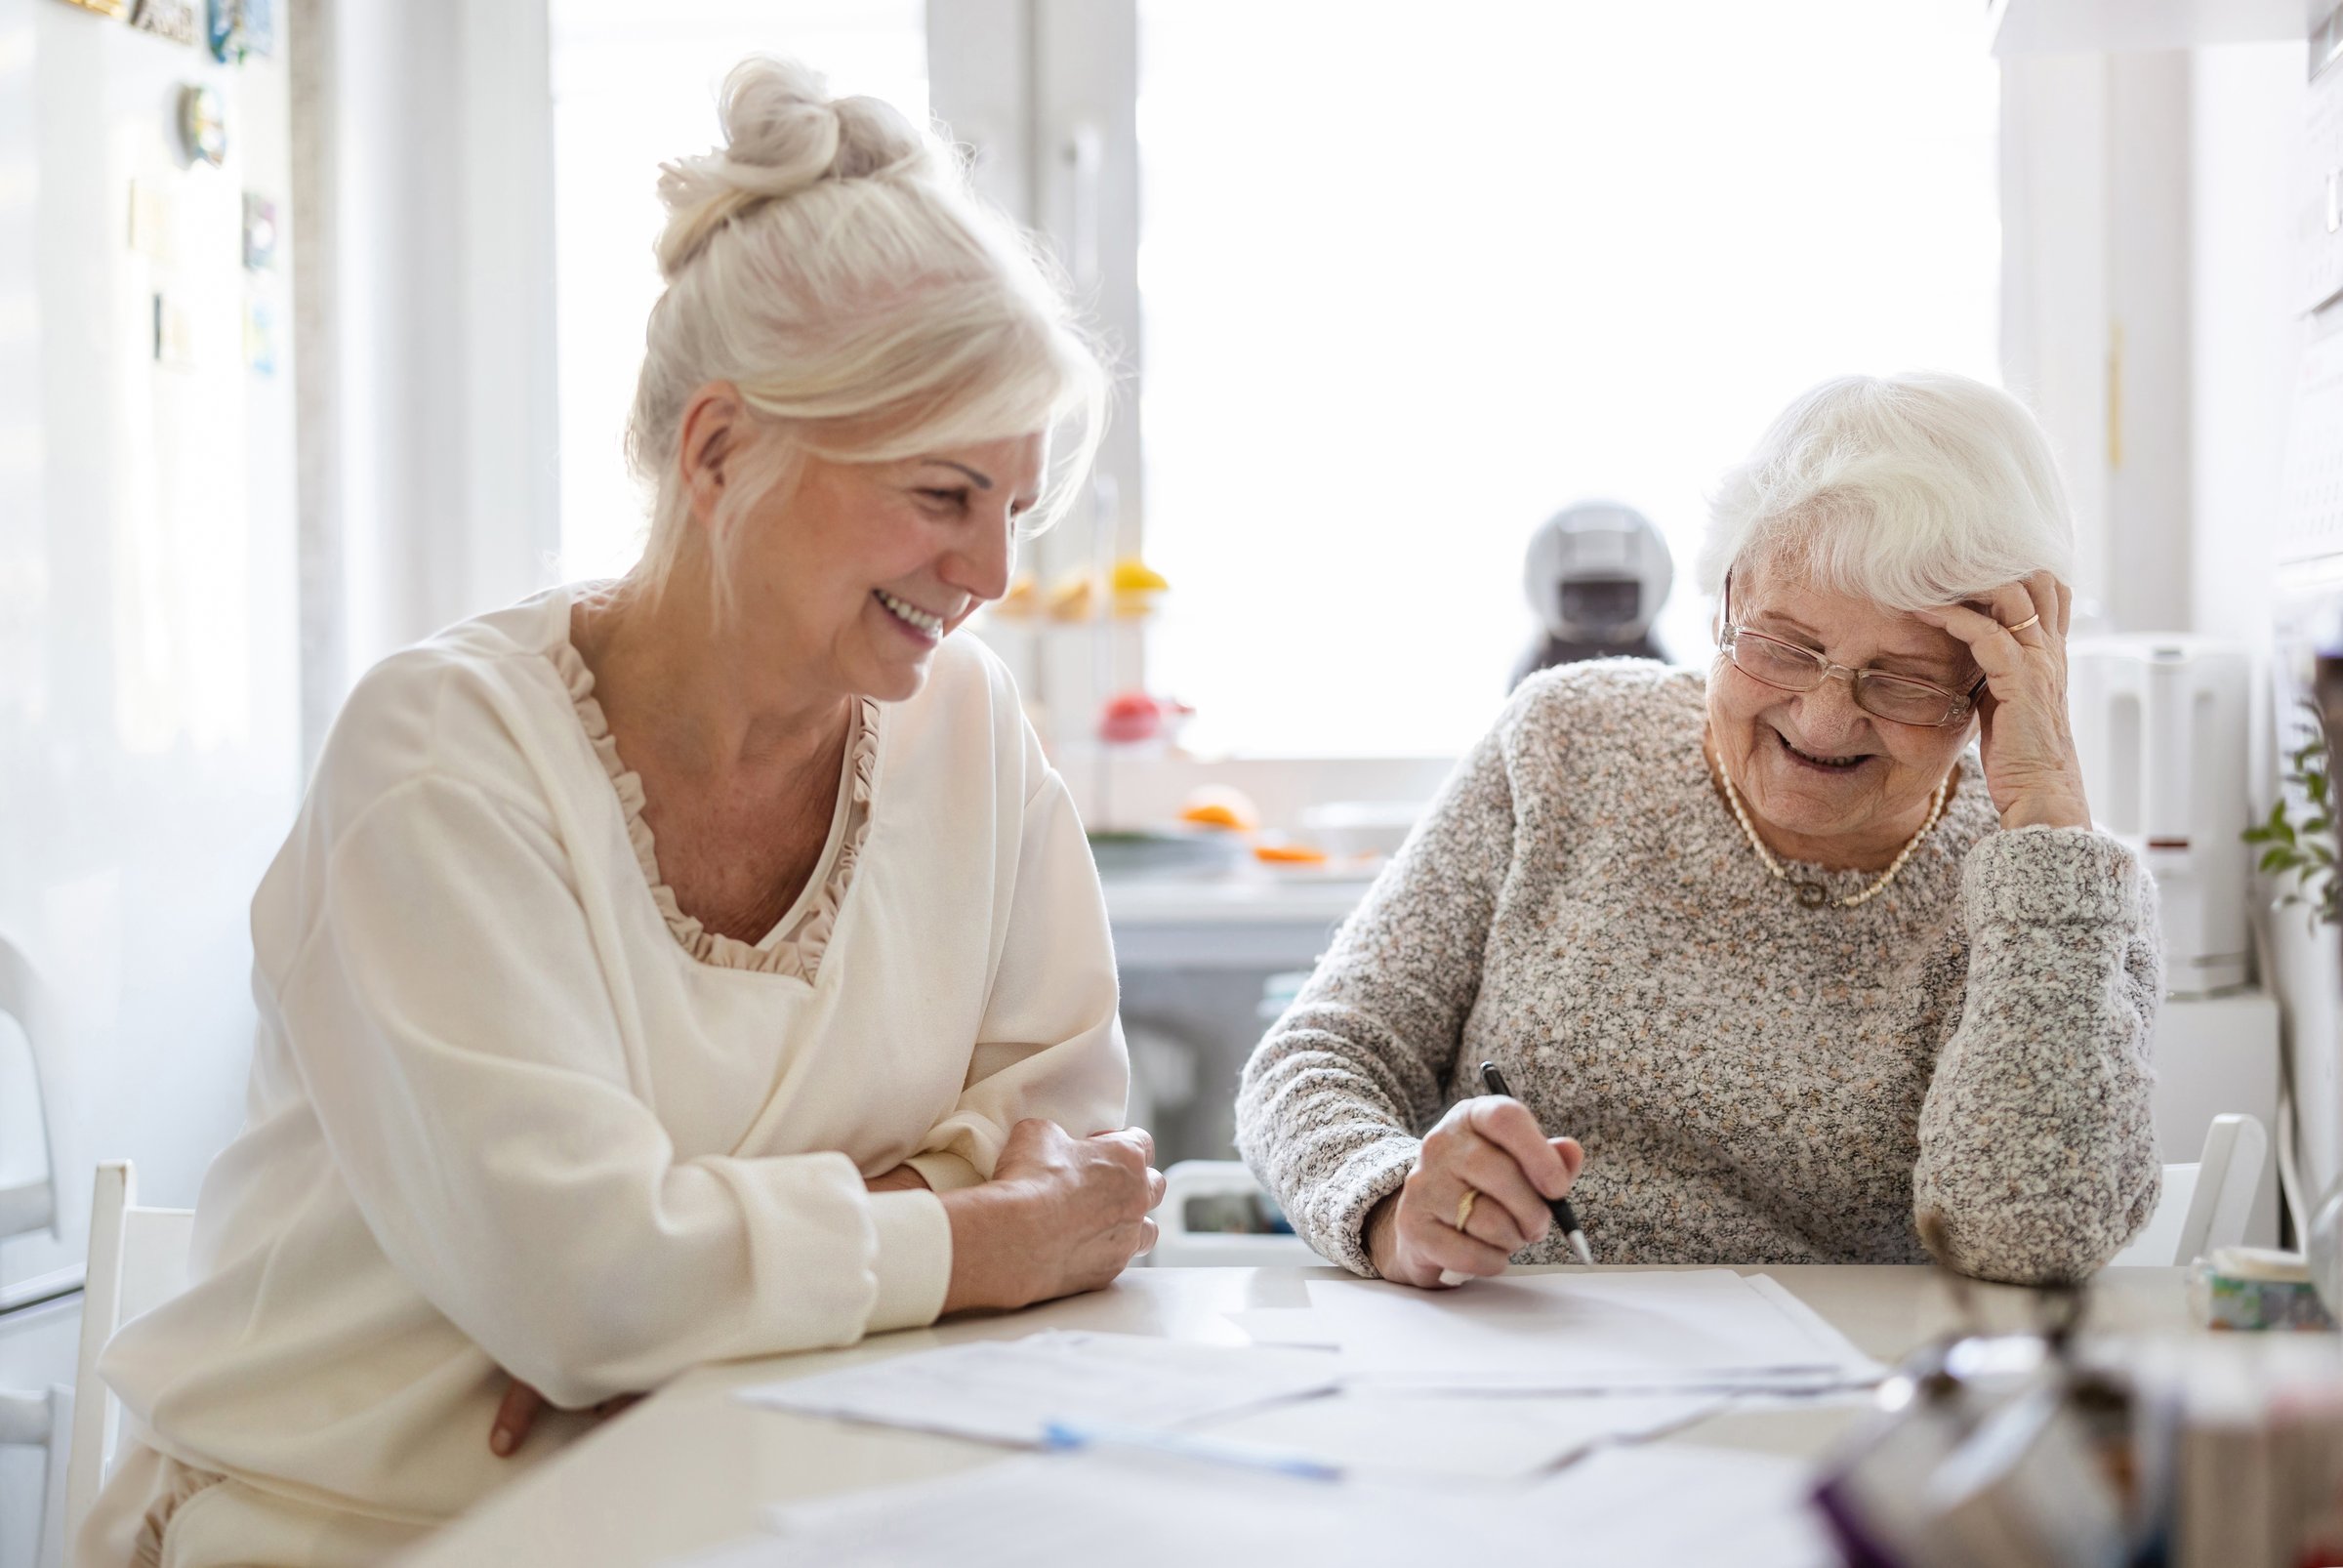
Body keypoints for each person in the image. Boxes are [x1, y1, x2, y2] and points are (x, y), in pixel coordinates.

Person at [83, 58, 1160, 1568]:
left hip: (761, 1491)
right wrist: (960, 1241)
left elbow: (1067, 1136)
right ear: (720, 451)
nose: (990, 574)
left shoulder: (965, 729)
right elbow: (601, 1286)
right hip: (353, 1527)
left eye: (1014, 509)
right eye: (940, 496)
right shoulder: (442, 757)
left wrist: (690, 1291)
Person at [1238, 371, 2159, 1290]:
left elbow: (2028, 1239)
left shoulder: (2058, 892)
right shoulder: (1568, 740)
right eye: (1784, 646)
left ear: (1990, 687)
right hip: (1506, 1357)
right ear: (1724, 598)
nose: (1825, 719)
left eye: (1906, 679)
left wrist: (2044, 825)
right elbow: (1321, 1054)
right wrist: (1393, 1206)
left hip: (1835, 1395)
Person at [1508, 501, 1672, 687]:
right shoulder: (1533, 680)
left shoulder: (1662, 674)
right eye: (1579, 596)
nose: (1601, 609)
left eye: (1618, 594)